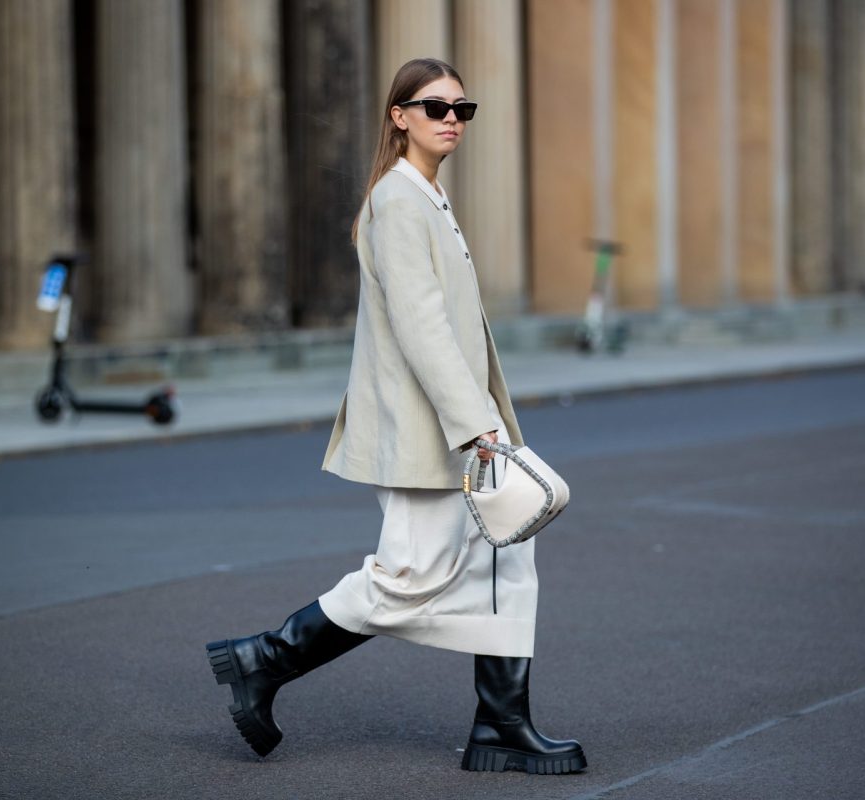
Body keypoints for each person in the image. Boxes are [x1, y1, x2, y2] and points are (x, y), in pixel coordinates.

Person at [205, 57, 586, 775]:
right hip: (431, 431)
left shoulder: (427, 198)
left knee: (509, 553)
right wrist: (478, 428)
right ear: (398, 116)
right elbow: (422, 326)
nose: (451, 118)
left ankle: (501, 724)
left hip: (460, 426)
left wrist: (485, 425)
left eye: (461, 109)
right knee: (407, 575)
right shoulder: (398, 201)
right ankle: (261, 660)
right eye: (434, 106)